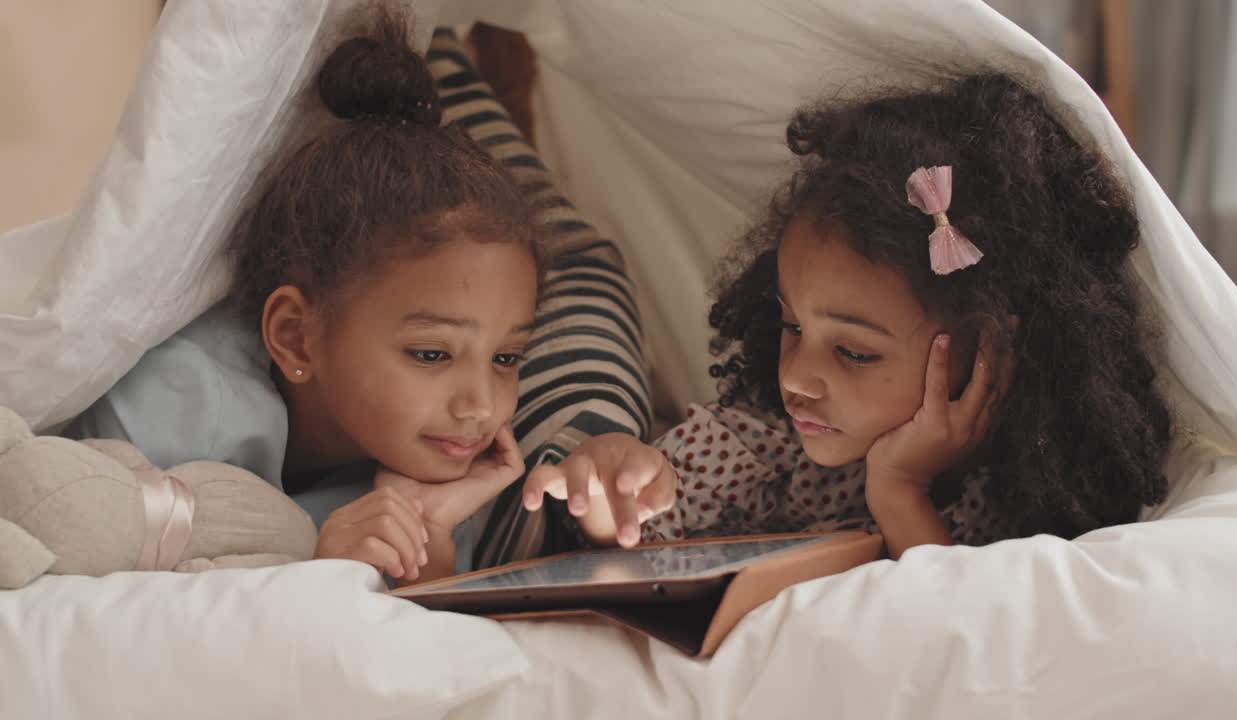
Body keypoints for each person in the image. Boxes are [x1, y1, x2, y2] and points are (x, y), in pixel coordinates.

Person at [524, 73, 1173, 560]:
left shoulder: (1034, 483)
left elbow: (959, 627)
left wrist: (900, 493)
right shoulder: (753, 448)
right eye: (791, 326)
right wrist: (608, 493)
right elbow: (631, 536)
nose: (798, 377)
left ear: (986, 353)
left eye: (854, 352)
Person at [68, 6, 546, 583]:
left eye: (506, 358)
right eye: (431, 354)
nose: (480, 406)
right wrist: (304, 563)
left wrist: (429, 529)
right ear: (295, 336)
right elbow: (92, 553)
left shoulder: (429, 464)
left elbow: (427, 630)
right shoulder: (171, 406)